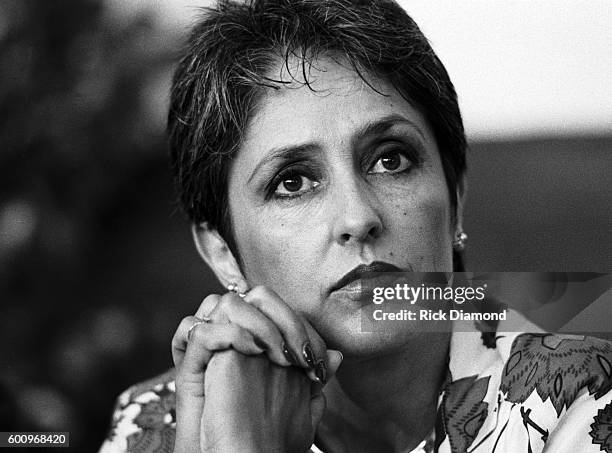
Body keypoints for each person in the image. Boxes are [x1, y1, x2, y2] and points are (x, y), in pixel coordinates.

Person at [98, 1, 612, 452]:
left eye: (390, 160)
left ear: (455, 199)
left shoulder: (579, 385)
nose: (358, 218)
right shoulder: (152, 420)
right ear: (222, 251)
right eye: (293, 182)